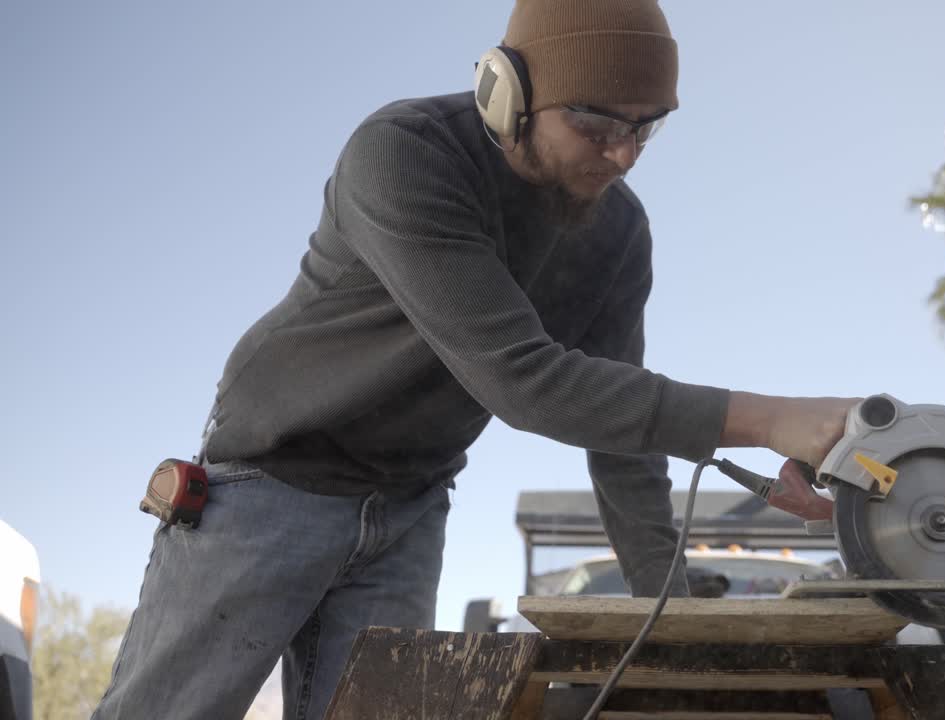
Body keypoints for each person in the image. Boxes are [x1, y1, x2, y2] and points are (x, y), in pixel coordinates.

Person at [93, 1, 861, 717]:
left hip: (410, 507)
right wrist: (769, 419)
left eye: (645, 127)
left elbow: (622, 443)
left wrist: (678, 629)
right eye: (595, 123)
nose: (624, 154)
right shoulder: (404, 154)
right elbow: (523, 380)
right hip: (272, 483)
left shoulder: (620, 234)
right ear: (507, 92)